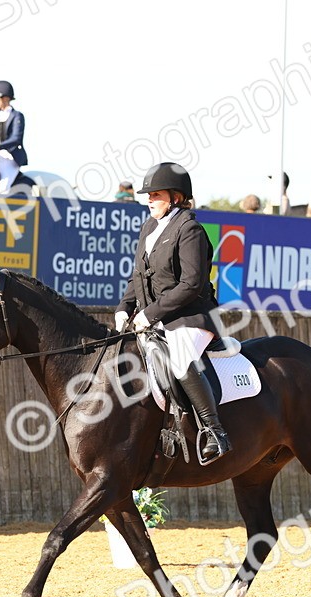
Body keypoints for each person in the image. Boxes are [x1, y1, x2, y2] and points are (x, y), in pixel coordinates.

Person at [115, 162, 231, 463]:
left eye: (156, 194)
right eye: (149, 195)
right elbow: (138, 276)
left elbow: (191, 284)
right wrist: (124, 308)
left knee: (180, 360)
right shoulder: (149, 228)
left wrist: (149, 313)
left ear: (176, 197)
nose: (149, 199)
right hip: (158, 318)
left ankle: (215, 432)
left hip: (191, 317)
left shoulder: (190, 230)